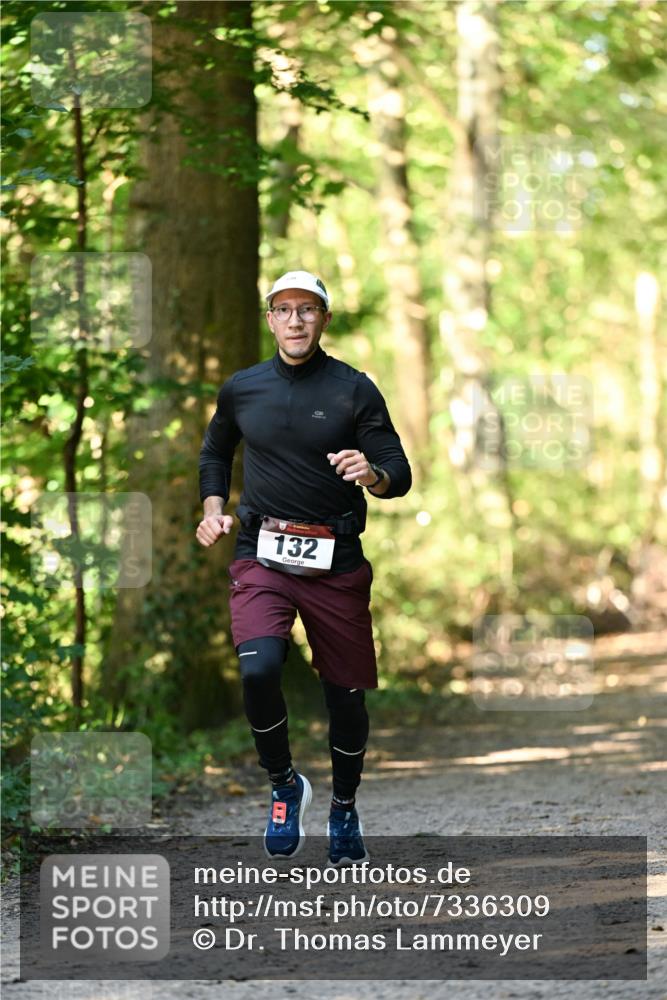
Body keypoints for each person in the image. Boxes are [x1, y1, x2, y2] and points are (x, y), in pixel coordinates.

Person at [196, 270, 411, 866]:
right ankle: (284, 784)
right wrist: (214, 509)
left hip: (336, 559)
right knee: (258, 670)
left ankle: (343, 806)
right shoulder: (242, 389)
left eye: (308, 310)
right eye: (284, 309)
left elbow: (400, 469)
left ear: (324, 319)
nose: (296, 320)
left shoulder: (354, 390)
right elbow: (216, 451)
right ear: (269, 318)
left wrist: (373, 474)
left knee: (344, 695)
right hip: (261, 554)